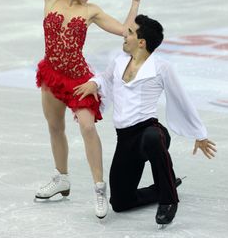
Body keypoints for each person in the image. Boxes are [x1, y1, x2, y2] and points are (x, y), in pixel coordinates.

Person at [19, 0, 147, 218]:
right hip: (52, 74)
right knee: (55, 127)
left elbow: (125, 30)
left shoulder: (92, 11)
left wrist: (135, 3)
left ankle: (99, 188)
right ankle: (62, 180)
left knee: (88, 127)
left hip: (78, 79)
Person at [73, 14, 217, 226]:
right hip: (125, 140)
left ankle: (169, 200)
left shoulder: (161, 67)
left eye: (129, 32)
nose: (124, 34)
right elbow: (105, 78)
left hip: (150, 131)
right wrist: (95, 83)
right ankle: (161, 188)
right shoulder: (119, 62)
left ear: (141, 42)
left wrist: (199, 134)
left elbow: (181, 99)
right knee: (120, 202)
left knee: (152, 137)